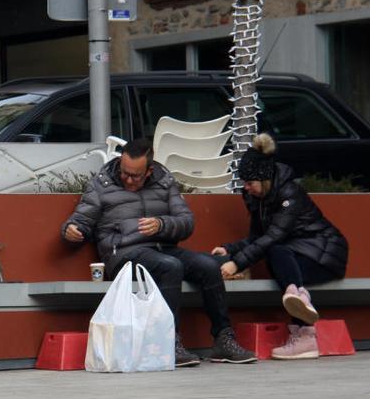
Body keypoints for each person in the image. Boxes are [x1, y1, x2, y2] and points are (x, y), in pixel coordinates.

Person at [62, 138, 256, 367]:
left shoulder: (164, 182)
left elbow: (187, 222)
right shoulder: (101, 184)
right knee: (170, 266)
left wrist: (162, 225)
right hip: (123, 254)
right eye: (125, 172)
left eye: (135, 175)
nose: (128, 179)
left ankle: (224, 339)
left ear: (149, 171)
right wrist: (72, 231)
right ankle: (169, 342)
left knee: (209, 266)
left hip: (164, 248)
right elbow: (80, 220)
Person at [213, 133, 348, 360]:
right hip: (294, 254)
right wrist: (230, 249)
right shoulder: (259, 199)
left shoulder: (290, 193)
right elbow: (258, 237)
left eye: (250, 182)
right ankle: (300, 305)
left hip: (325, 254)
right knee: (279, 259)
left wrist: (236, 263)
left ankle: (305, 332)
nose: (245, 188)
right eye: (243, 182)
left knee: (276, 252)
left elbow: (274, 235)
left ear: (264, 179)